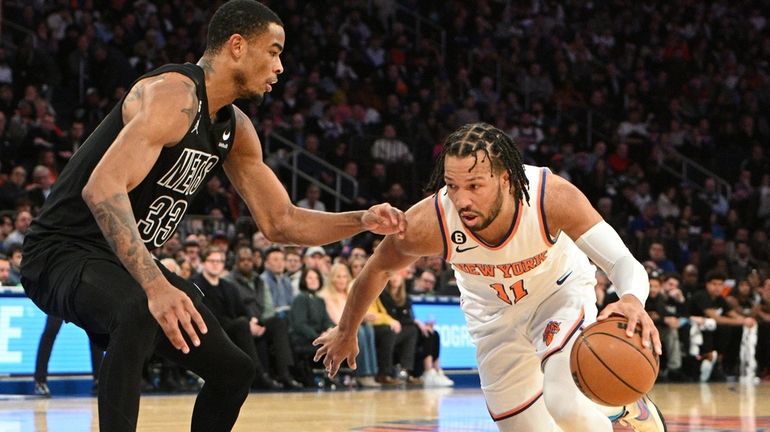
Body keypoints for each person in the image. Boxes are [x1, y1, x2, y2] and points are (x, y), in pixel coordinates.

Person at [19, 2, 405, 431]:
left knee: (233, 370)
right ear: (237, 46)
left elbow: (281, 222)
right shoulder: (173, 94)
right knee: (139, 308)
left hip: (118, 262)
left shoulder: (235, 129)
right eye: (274, 51)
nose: (280, 66)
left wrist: (361, 219)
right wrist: (155, 284)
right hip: (60, 252)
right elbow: (102, 187)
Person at [315, 122, 665, 432]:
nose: (461, 199)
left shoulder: (550, 196)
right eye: (452, 185)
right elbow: (378, 268)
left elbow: (620, 259)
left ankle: (625, 413)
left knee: (567, 405)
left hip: (557, 295)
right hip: (493, 319)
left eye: (475, 185)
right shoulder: (433, 220)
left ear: (506, 178)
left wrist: (632, 299)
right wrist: (347, 330)